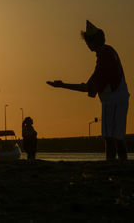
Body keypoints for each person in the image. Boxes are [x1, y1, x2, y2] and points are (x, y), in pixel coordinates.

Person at [47, 20, 130, 161]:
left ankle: (111, 163)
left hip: (113, 99)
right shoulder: (108, 52)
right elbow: (91, 84)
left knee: (110, 136)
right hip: (119, 97)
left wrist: (62, 85)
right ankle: (122, 164)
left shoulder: (104, 56)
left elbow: (88, 87)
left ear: (92, 42)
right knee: (117, 136)